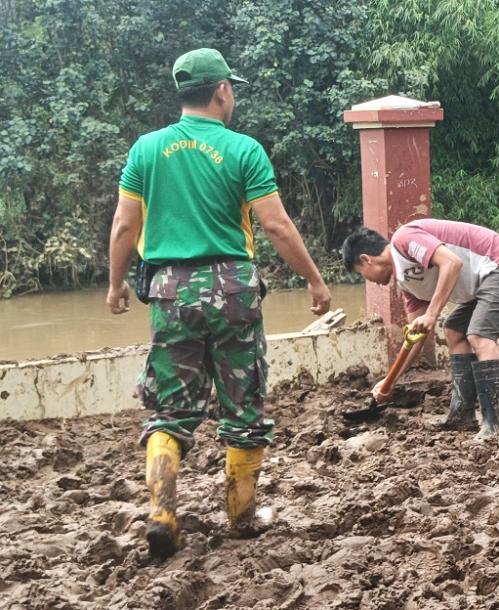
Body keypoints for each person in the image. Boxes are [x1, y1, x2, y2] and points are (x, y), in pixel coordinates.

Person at [105, 48, 331, 558]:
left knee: (169, 409)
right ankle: (241, 518)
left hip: (169, 289)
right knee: (244, 404)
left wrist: (116, 285)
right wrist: (315, 281)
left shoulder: (146, 149)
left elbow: (124, 226)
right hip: (232, 286)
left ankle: (163, 513)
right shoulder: (243, 150)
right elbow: (275, 225)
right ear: (222, 91)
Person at [341, 220, 499, 440]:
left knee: (478, 334)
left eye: (361, 274)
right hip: (487, 281)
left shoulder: (403, 239)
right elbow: (416, 338)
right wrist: (389, 381)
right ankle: (462, 415)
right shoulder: (408, 284)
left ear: (366, 260)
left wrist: (432, 313)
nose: (369, 282)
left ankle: (497, 424)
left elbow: (452, 263)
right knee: (454, 329)